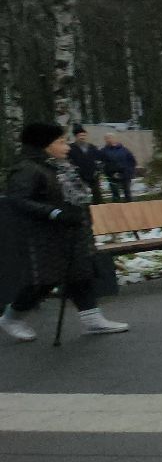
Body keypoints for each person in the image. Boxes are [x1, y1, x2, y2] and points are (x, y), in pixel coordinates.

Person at [0, 122, 130, 342]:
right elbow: (19, 201)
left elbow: (79, 190)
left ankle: (92, 320)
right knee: (42, 282)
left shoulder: (59, 165)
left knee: (80, 275)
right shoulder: (27, 169)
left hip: (71, 232)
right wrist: (55, 213)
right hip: (44, 236)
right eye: (60, 142)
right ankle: (11, 318)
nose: (67, 147)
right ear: (44, 145)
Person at [66, 126, 102, 204]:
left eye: (84, 135)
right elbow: (68, 162)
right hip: (79, 177)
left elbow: (99, 160)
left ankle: (98, 211)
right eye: (80, 136)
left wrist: (98, 171)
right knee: (82, 197)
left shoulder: (92, 147)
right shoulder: (70, 148)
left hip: (93, 176)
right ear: (76, 137)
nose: (82, 137)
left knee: (97, 196)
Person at [99, 134, 137, 202]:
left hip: (125, 175)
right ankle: (117, 210)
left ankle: (130, 209)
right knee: (115, 195)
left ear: (115, 139)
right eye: (106, 138)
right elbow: (101, 163)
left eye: (110, 137)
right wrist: (108, 173)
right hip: (112, 176)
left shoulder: (124, 150)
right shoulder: (103, 151)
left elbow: (132, 162)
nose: (109, 139)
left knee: (127, 194)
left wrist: (129, 172)